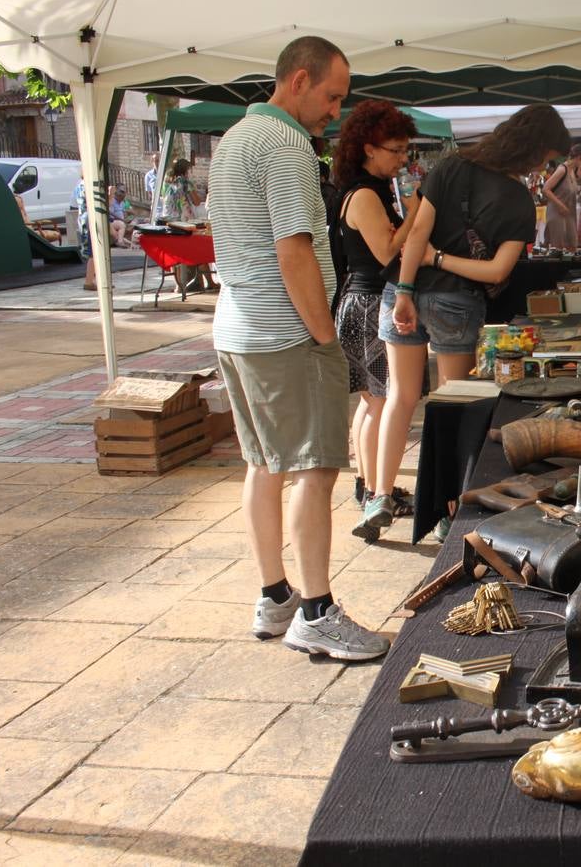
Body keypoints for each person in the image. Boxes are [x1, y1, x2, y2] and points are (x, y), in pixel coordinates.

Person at [208, 35, 387, 661]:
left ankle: (275, 596)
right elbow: (294, 250)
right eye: (333, 96)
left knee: (264, 463)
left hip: (237, 327)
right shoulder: (283, 145)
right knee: (315, 469)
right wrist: (321, 334)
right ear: (300, 79)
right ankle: (316, 610)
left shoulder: (233, 140)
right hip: (284, 332)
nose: (336, 112)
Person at [359, 104, 570, 537]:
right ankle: (444, 509)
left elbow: (416, 234)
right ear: (532, 148)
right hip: (456, 302)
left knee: (399, 398)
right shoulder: (516, 199)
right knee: (452, 407)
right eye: (545, 157)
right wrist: (444, 261)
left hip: (406, 289)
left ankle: (379, 497)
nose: (542, 167)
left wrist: (405, 290)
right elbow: (495, 272)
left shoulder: (452, 166)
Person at [330, 101, 421, 541]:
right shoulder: (365, 195)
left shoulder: (369, 188)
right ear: (369, 148)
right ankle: (371, 492)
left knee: (371, 403)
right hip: (368, 303)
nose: (403, 158)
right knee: (380, 403)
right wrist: (418, 211)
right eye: (396, 149)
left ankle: (368, 487)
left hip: (360, 302)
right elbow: (387, 252)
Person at [161, 159, 216, 291]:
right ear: (186, 170)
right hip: (183, 220)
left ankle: (178, 285)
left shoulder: (168, 183)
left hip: (169, 220)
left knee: (176, 253)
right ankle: (209, 282)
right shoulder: (185, 182)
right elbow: (196, 201)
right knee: (198, 249)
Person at [541, 143, 581, 250]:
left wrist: (580, 177)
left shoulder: (572, 171)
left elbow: (573, 190)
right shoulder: (562, 170)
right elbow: (545, 189)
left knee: (572, 244)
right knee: (559, 246)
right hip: (557, 212)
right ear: (579, 158)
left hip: (569, 212)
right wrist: (560, 205)